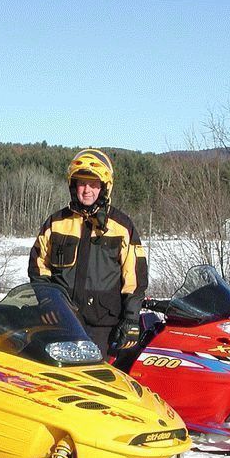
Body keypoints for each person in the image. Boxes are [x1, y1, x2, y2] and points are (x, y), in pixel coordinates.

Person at [28, 148, 148, 356]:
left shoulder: (121, 226)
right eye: (82, 183)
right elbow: (38, 267)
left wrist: (131, 318)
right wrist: (47, 302)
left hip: (103, 326)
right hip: (62, 320)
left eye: (93, 184)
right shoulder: (56, 223)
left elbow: (134, 277)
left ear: (103, 187)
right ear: (73, 185)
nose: (87, 190)